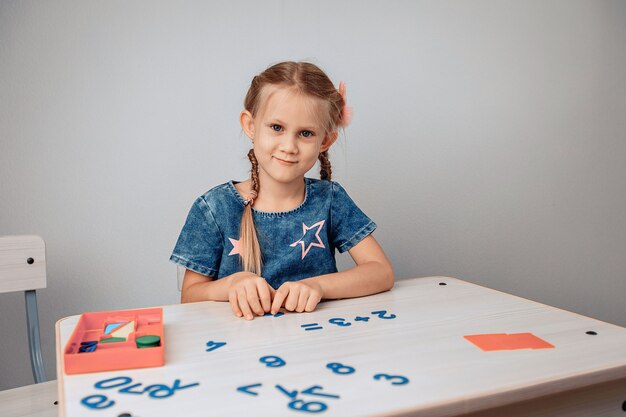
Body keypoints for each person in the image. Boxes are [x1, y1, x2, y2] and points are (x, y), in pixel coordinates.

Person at [170, 61, 393, 320]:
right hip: (240, 352)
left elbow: (381, 272)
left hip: (318, 343)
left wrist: (318, 286)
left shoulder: (329, 200)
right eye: (277, 128)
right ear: (250, 125)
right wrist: (232, 284)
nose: (289, 146)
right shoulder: (213, 209)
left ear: (326, 140)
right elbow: (190, 296)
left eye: (306, 133)